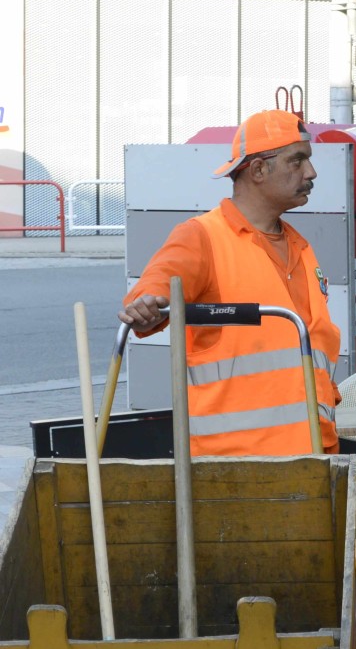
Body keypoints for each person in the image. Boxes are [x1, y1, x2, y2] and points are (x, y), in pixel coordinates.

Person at [119, 109, 342, 456]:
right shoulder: (202, 237)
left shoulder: (299, 246)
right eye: (297, 161)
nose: (311, 172)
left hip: (313, 455)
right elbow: (156, 289)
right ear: (258, 170)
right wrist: (149, 304)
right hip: (239, 466)